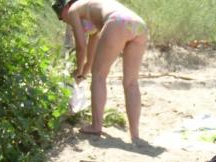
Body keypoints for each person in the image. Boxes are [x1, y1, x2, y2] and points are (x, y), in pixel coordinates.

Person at [52, 0, 148, 144]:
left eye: (60, 17)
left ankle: (96, 126)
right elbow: (90, 60)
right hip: (138, 24)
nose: (63, 20)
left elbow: (80, 47)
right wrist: (82, 74)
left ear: (66, 6)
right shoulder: (92, 11)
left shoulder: (73, 10)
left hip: (117, 22)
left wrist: (77, 71)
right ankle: (135, 135)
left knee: (99, 77)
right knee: (131, 83)